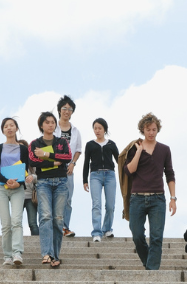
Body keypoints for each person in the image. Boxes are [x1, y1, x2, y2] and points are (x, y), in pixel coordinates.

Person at [124, 113, 175, 271]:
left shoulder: (164, 149)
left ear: (157, 129)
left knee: (156, 237)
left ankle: (152, 271)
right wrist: (139, 151)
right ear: (142, 130)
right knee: (137, 235)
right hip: (137, 199)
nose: (151, 132)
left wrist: (173, 198)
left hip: (158, 199)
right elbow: (129, 170)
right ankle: (149, 265)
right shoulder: (134, 148)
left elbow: (170, 174)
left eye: (154, 129)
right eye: (148, 129)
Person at [28, 111, 72, 268]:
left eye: (53, 122)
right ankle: (47, 253)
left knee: (58, 219)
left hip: (61, 182)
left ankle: (55, 256)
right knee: (45, 216)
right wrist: (54, 161)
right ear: (41, 125)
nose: (51, 125)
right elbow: (33, 161)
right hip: (43, 182)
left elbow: (67, 158)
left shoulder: (62, 141)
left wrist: (45, 154)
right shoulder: (35, 143)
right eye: (47, 122)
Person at [0, 117, 33, 266]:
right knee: (6, 224)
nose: (9, 128)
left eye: (12, 125)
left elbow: (24, 168)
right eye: (6, 126)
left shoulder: (23, 149)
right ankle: (7, 256)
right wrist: (6, 180)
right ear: (3, 130)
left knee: (16, 221)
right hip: (1, 188)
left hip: (17, 188)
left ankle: (17, 253)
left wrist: (18, 183)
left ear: (16, 128)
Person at [83, 117, 119, 242]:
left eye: (100, 128)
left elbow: (119, 160)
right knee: (96, 204)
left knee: (110, 205)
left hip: (110, 176)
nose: (97, 131)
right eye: (95, 128)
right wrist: (84, 180)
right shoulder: (90, 144)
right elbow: (86, 162)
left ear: (105, 130)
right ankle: (97, 232)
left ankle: (107, 229)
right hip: (95, 176)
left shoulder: (111, 144)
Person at [55, 95, 83, 237]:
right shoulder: (53, 127)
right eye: (64, 108)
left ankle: (65, 227)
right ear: (59, 110)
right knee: (54, 198)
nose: (67, 111)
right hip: (53, 167)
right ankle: (55, 227)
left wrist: (73, 163)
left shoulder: (76, 131)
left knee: (67, 199)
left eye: (70, 109)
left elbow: (78, 150)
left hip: (68, 169)